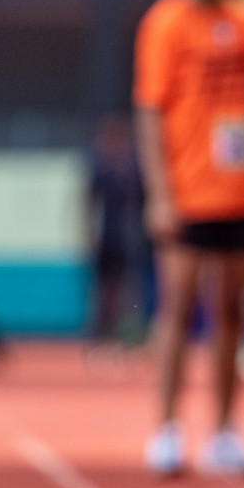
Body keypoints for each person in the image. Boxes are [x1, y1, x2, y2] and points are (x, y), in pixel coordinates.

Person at [135, 0, 244, 477]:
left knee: (232, 313)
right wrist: (160, 193)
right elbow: (150, 109)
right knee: (177, 308)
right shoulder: (167, 20)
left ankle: (224, 431)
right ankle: (167, 428)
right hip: (188, 187)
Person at [87, 114, 152, 349]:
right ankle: (102, 334)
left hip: (132, 234)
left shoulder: (135, 168)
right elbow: (89, 201)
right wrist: (88, 233)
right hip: (109, 234)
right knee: (106, 287)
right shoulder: (100, 168)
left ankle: (132, 335)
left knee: (132, 286)